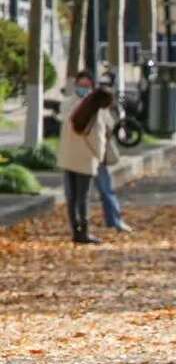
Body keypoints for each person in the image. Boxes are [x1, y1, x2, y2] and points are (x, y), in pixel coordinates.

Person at [57, 71, 113, 244]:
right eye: (82, 86)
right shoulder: (94, 112)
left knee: (72, 197)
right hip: (86, 160)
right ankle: (84, 232)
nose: (84, 89)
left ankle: (76, 231)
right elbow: (99, 137)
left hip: (68, 158)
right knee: (83, 197)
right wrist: (100, 156)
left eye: (87, 86)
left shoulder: (69, 107)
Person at [96, 71, 132, 233]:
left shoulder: (105, 110)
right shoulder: (81, 107)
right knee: (78, 194)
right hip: (84, 157)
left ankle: (114, 220)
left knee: (106, 189)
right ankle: (79, 225)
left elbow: (111, 129)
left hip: (98, 156)